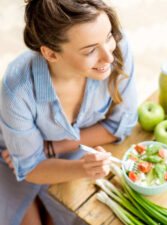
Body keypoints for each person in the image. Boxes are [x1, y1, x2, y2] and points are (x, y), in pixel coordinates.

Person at [0, 0, 138, 224]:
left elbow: (122, 123)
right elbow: (31, 167)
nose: (109, 57)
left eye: (108, 36)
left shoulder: (117, 47)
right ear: (51, 54)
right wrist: (83, 167)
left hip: (69, 150)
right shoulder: (18, 89)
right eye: (90, 50)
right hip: (12, 158)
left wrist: (55, 147)